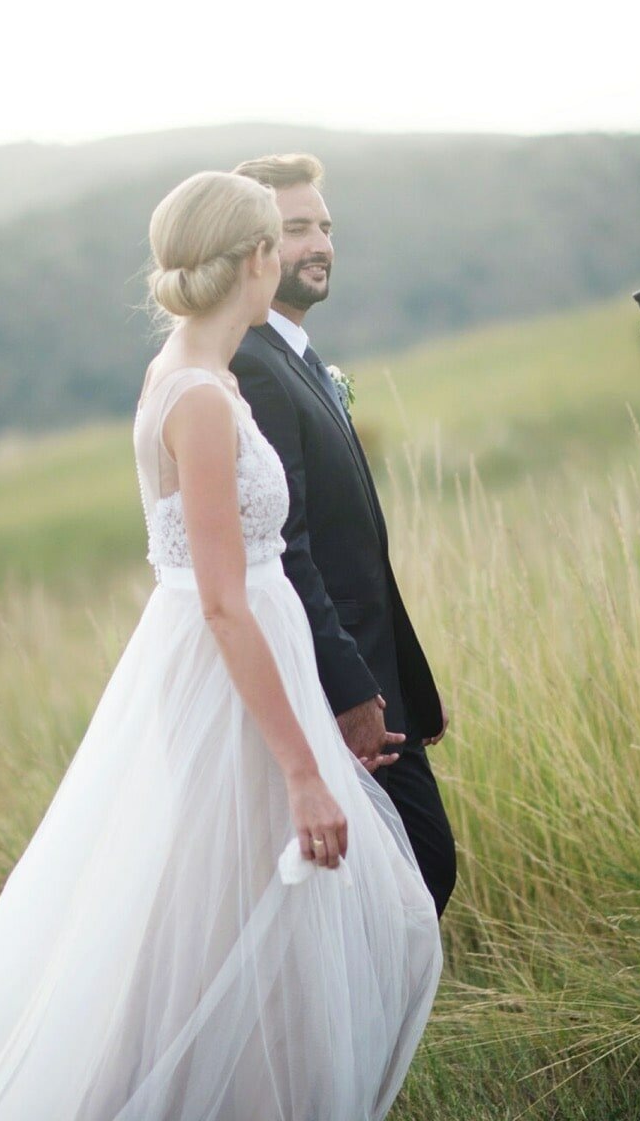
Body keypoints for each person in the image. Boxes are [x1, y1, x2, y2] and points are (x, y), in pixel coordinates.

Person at [0, 171, 441, 1119]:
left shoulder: (207, 375)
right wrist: (303, 771)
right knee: (270, 919)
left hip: (251, 664)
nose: (299, 251)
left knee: (268, 925)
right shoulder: (196, 394)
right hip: (234, 682)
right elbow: (225, 604)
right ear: (255, 259)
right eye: (284, 238)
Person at [229, 154, 456, 917]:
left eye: (325, 226)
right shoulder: (252, 368)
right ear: (251, 245)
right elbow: (289, 551)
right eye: (296, 229)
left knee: (411, 884)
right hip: (333, 689)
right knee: (416, 874)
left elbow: (359, 552)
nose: (320, 243)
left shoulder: (300, 357)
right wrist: (356, 692)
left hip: (377, 679)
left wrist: (409, 683)